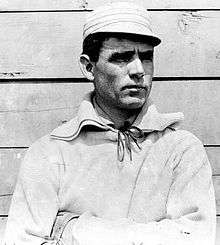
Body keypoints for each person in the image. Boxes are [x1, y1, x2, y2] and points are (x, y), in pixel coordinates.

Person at [4, 2, 216, 245]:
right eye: (122, 58)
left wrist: (76, 231)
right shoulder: (49, 153)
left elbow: (196, 239)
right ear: (88, 67)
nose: (139, 70)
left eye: (146, 57)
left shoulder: (182, 150)